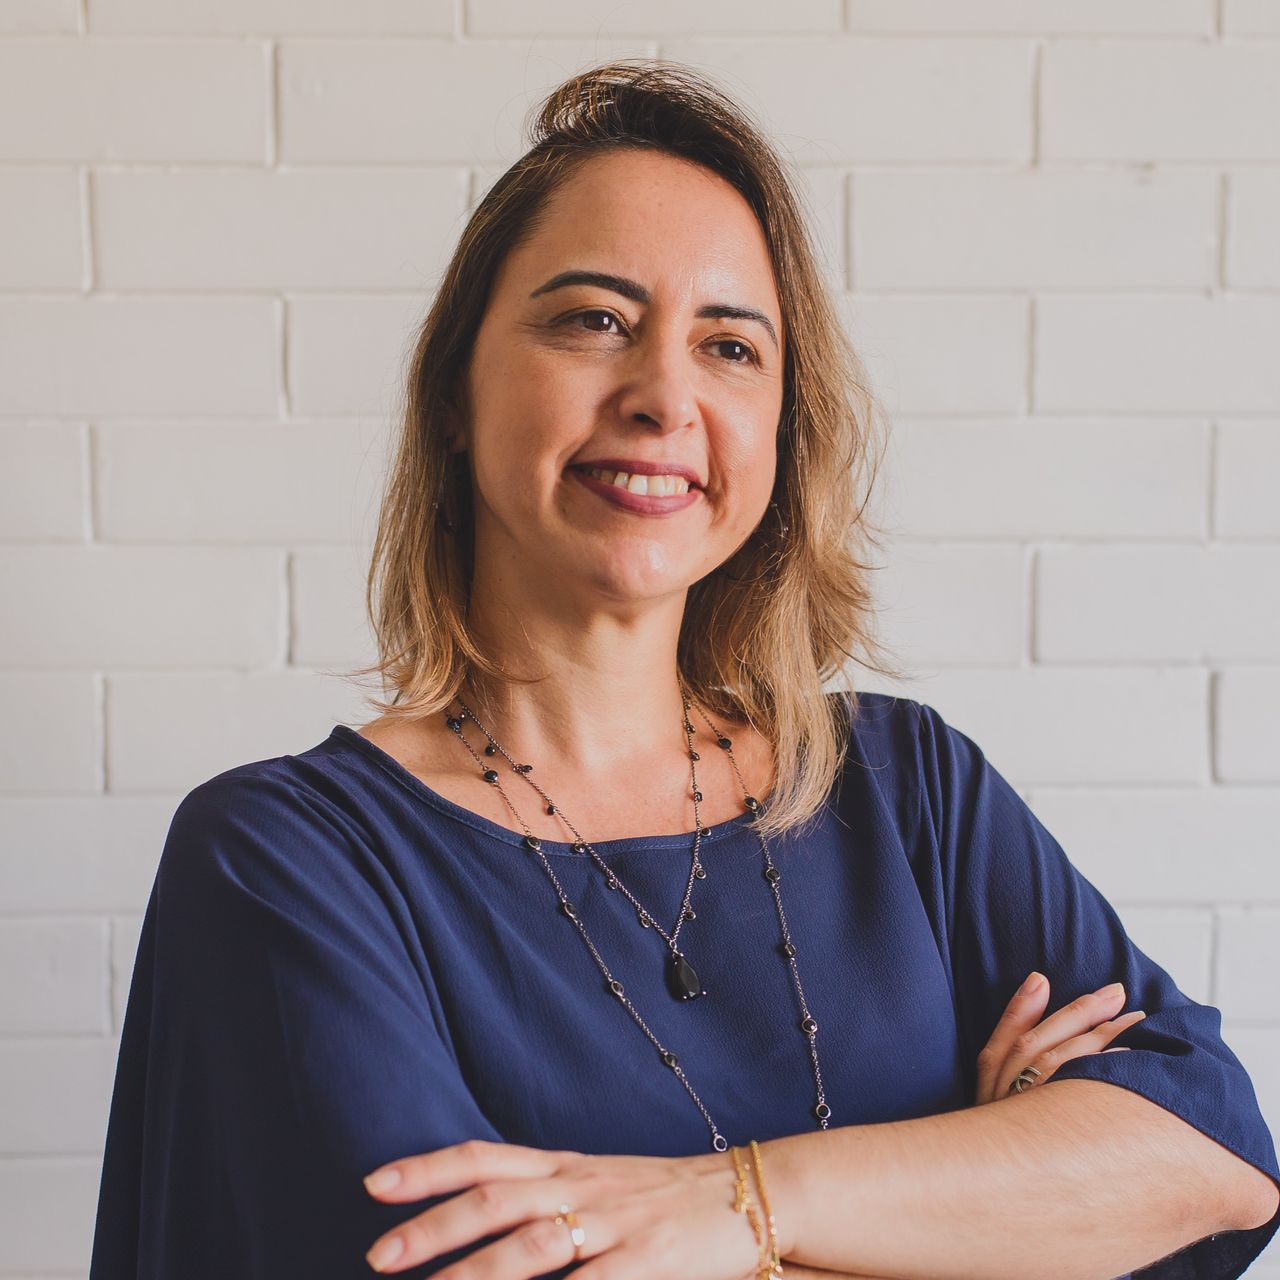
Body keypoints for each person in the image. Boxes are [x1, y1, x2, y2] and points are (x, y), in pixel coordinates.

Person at [88, 59, 1279, 1280]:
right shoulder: (284, 858)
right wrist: (995, 1213)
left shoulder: (907, 787)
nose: (664, 395)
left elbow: (1216, 1159)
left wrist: (740, 1207)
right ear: (453, 390)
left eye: (729, 345)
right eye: (592, 320)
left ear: (780, 427)